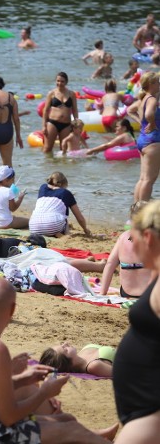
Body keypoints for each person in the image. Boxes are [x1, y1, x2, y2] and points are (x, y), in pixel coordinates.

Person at [0, 278, 109, 444]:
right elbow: (9, 416)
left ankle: (95, 436)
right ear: (12, 310)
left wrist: (26, 379)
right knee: (70, 430)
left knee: (65, 420)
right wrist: (44, 393)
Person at [112, 199, 160, 443]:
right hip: (144, 405)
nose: (130, 241)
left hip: (150, 408)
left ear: (148, 238)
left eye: (134, 236)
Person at [99, 201, 153, 298]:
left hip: (126, 293)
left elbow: (110, 264)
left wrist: (102, 292)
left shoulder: (123, 237)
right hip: (149, 295)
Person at [29, 171, 91, 237]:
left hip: (33, 227)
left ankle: (54, 232)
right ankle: (66, 234)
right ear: (63, 183)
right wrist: (85, 229)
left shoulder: (42, 187)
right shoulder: (66, 193)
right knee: (64, 217)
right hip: (52, 226)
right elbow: (79, 218)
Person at [133, 72, 160, 201]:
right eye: (158, 82)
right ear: (151, 84)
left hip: (143, 139)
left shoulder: (143, 99)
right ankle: (142, 212)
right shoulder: (152, 99)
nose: (159, 84)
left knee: (143, 178)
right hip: (153, 141)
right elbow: (149, 114)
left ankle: (134, 214)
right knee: (149, 180)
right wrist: (153, 123)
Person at [41, 71, 79, 154]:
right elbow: (46, 110)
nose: (60, 83)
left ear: (66, 82)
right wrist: (44, 125)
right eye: (58, 81)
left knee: (64, 149)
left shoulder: (71, 94)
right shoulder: (51, 93)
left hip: (66, 124)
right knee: (47, 148)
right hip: (52, 123)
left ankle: (61, 166)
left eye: (62, 81)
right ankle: (46, 166)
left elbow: (75, 110)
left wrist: (76, 124)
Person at [0, 165, 28, 229]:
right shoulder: (8, 191)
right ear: (6, 180)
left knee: (13, 217)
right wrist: (20, 198)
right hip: (6, 223)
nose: (13, 182)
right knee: (29, 221)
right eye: (12, 179)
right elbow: (13, 209)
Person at [39, 342, 114, 378]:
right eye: (65, 349)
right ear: (68, 362)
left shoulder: (81, 354)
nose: (66, 343)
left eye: (62, 344)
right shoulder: (93, 366)